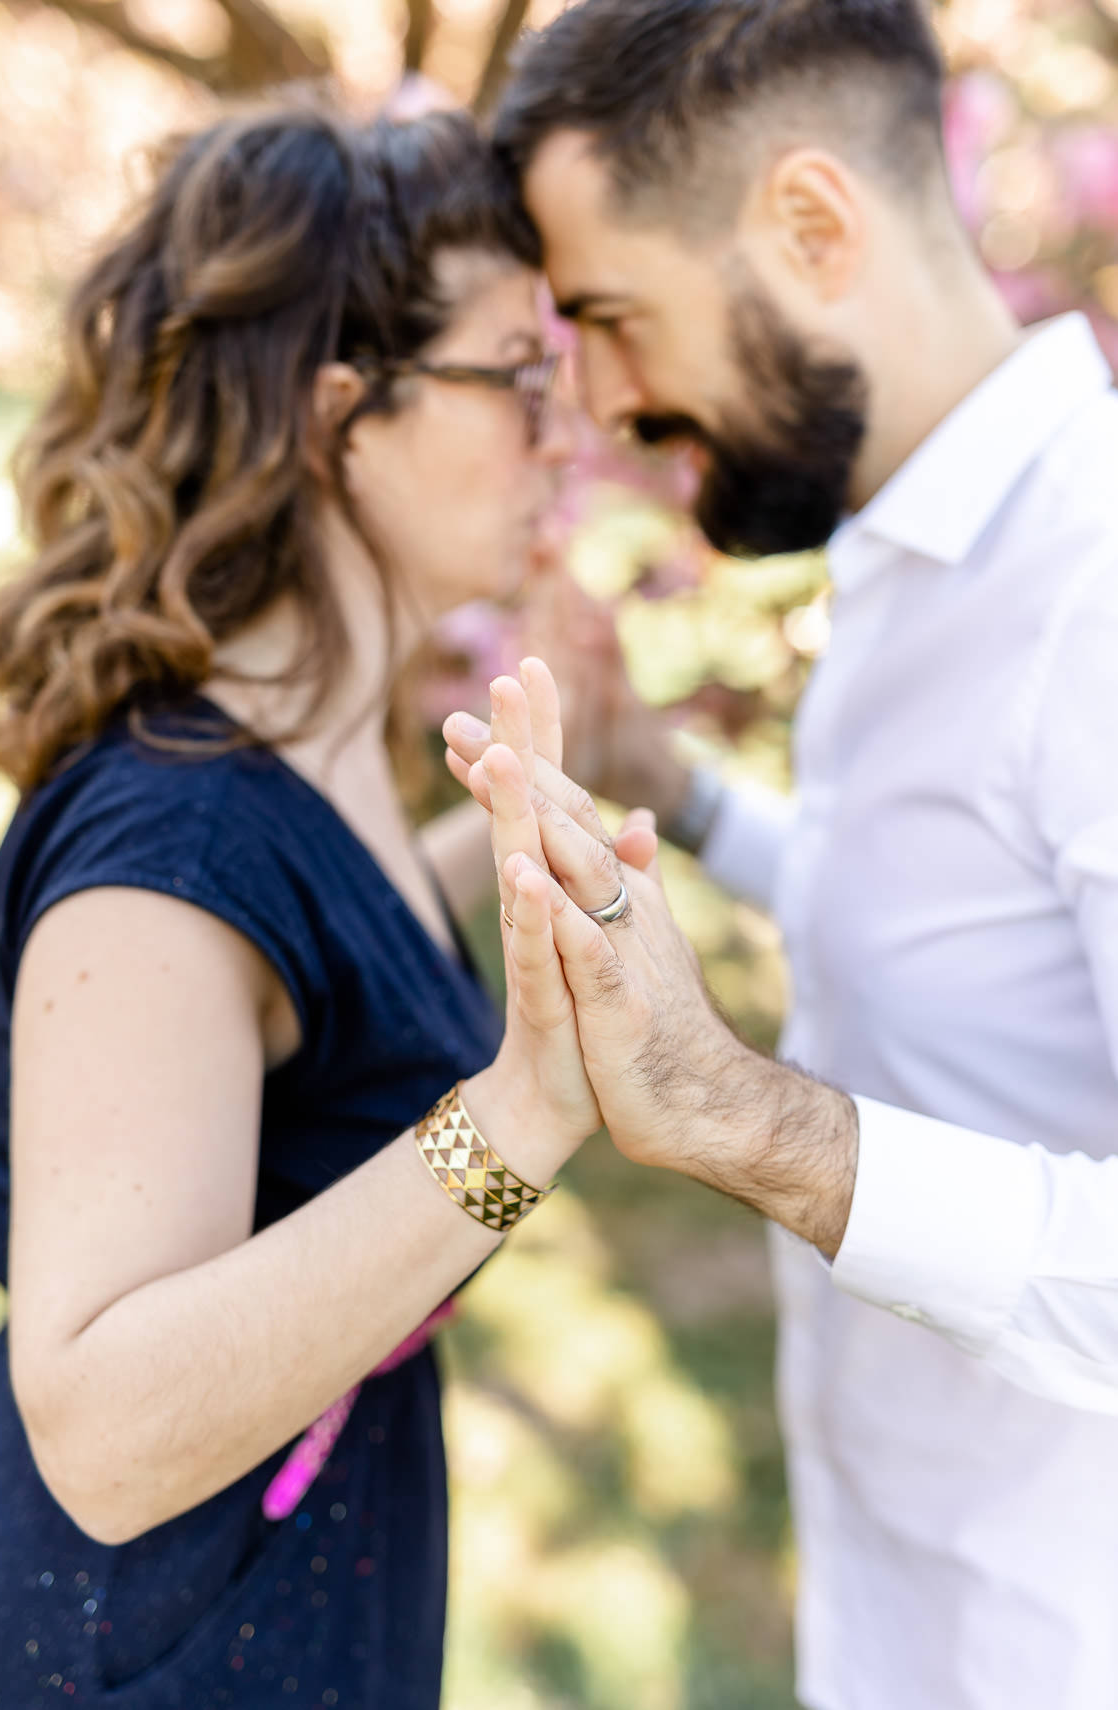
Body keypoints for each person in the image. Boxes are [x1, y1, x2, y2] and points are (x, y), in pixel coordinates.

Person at [444, 3, 1118, 1707]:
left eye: (611, 316)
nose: (601, 399)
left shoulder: (1094, 587)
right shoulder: (924, 545)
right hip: (903, 1615)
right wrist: (677, 791)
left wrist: (750, 1120)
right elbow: (956, 939)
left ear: (814, 223)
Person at [0, 96, 643, 1710]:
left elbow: (329, 961)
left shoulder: (302, 761)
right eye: (519, 378)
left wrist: (541, 849)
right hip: (151, 1652)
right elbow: (102, 1430)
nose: (565, 438)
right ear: (342, 414)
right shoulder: (171, 843)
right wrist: (520, 1115)